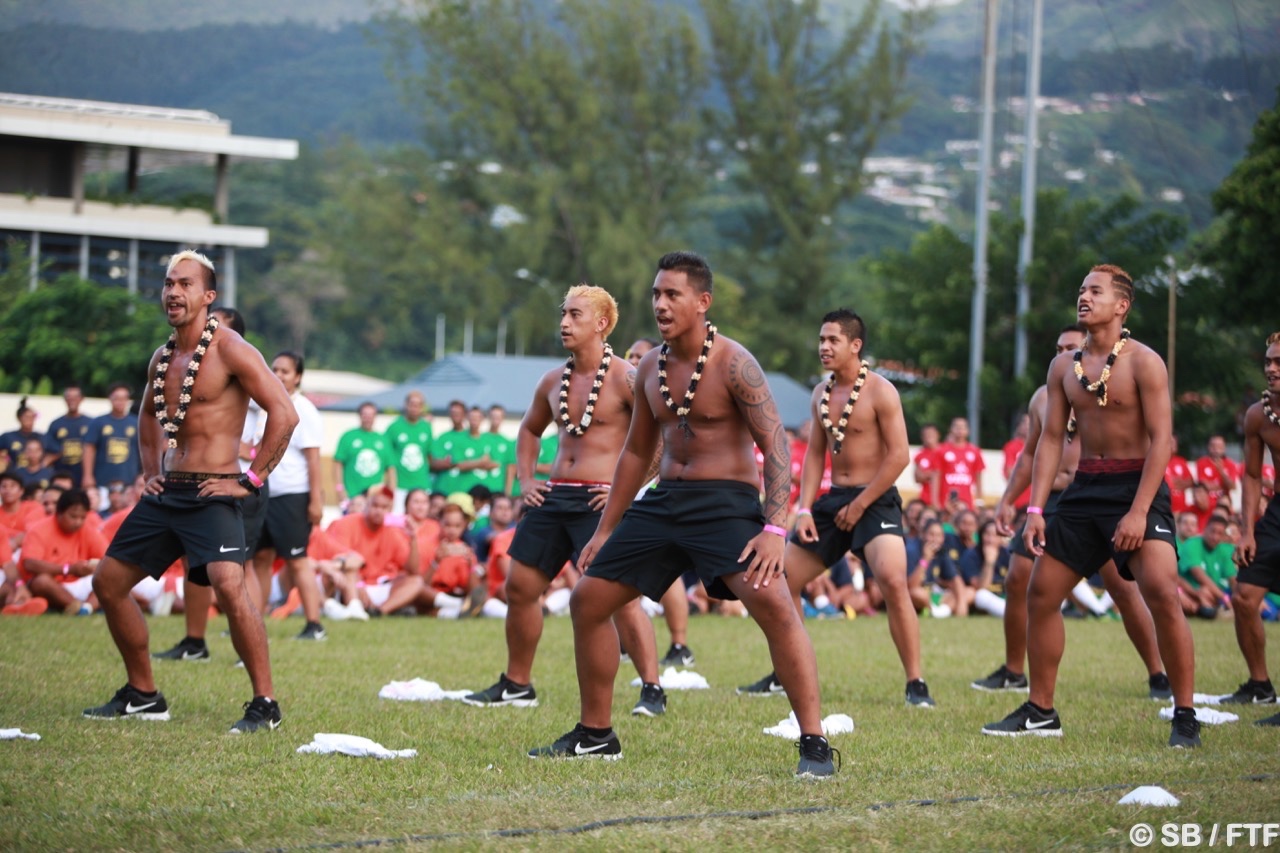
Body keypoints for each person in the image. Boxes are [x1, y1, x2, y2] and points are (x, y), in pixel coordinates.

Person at [529, 252, 835, 778]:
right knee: (587, 600)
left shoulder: (735, 363)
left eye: (672, 295)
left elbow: (778, 447)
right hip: (666, 501)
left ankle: (814, 743)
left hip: (725, 505)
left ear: (702, 302)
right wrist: (606, 529)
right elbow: (634, 453)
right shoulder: (648, 368)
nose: (661, 304)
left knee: (777, 608)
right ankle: (597, 734)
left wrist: (774, 528)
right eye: (655, 295)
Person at [983, 263, 1199, 748]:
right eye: (1081, 290)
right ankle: (1041, 711)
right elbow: (1051, 440)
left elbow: (1164, 441)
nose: (1084, 297)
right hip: (1082, 491)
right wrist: (1035, 510)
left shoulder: (1145, 362)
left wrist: (1140, 511)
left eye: (1095, 291)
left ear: (1121, 305)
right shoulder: (1064, 366)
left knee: (1162, 592)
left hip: (1136, 485)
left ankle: (1184, 712)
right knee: (1041, 594)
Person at [84, 250, 299, 733]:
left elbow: (284, 413)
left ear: (208, 296)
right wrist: (147, 469)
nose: (173, 292)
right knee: (108, 583)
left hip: (213, 491)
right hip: (168, 490)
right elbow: (145, 416)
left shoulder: (231, 349)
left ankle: (264, 705)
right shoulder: (162, 358)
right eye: (167, 283)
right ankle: (144, 694)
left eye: (184, 284)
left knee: (228, 583)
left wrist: (250, 479)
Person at [464, 285, 666, 714]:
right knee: (519, 587)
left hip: (601, 503)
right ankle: (518, 683)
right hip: (554, 497)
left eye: (575, 315)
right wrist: (524, 479)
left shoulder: (626, 378)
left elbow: (662, 441)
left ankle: (652, 687)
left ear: (602, 324)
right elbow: (528, 431)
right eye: (563, 314)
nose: (564, 323)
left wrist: (624, 491)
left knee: (618, 598)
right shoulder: (552, 379)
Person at [737, 308, 934, 707]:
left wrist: (861, 505)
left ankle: (916, 683)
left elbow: (899, 457)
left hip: (875, 499)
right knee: (780, 581)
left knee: (893, 581)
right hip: (832, 503)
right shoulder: (820, 393)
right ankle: (786, 671)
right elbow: (814, 455)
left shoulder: (881, 391)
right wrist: (805, 507)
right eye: (821, 340)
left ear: (855, 346)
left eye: (833, 341)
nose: (823, 347)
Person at [975, 325, 1170, 700]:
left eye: (1070, 345)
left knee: (1123, 587)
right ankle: (1015, 671)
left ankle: (1157, 673)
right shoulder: (1043, 396)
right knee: (1019, 578)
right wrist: (1009, 501)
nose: (1064, 352)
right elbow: (1031, 453)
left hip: (1092, 491)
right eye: (1058, 347)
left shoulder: (1106, 385)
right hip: (1048, 498)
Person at [151, 306, 283, 661]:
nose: (204, 334)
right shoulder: (185, 363)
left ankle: (249, 646)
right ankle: (194, 642)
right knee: (193, 562)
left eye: (214, 328)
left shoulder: (242, 362)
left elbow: (277, 419)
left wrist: (250, 472)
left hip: (238, 480)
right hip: (193, 481)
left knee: (241, 565)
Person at [627, 336, 697, 668]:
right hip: (626, 487)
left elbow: (659, 449)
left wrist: (637, 485)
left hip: (655, 488)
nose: (634, 360)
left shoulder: (665, 389)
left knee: (666, 571)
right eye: (631, 355)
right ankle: (627, 643)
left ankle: (680, 644)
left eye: (641, 355)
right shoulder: (628, 387)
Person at [246, 351, 327, 636]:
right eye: (275, 369)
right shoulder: (266, 406)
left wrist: (315, 500)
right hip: (262, 492)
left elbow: (313, 459)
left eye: (285, 371)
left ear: (298, 377)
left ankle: (314, 624)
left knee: (297, 558)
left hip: (292, 494)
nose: (278, 375)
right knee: (261, 559)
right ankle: (255, 622)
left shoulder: (304, 409)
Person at [1225, 331, 1280, 724]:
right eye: (1268, 362)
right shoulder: (1259, 415)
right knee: (1244, 594)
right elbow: (1250, 475)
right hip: (1276, 513)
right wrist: (1247, 529)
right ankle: (1260, 687)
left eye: (1279, 363)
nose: (1272, 369)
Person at [19, 488, 106, 614]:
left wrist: (92, 567)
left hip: (81, 583)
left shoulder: (87, 530)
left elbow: (107, 557)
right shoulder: (39, 529)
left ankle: (86, 609)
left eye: (82, 517)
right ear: (59, 513)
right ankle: (76, 607)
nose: (78, 522)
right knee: (41, 581)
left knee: (110, 579)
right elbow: (30, 563)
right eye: (73, 516)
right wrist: (68, 570)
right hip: (54, 586)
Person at [82, 383, 141, 512]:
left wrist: (140, 476)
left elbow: (142, 450)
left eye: (124, 398)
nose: (120, 401)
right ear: (110, 398)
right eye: (117, 398)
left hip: (129, 481)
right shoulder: (98, 422)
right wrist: (87, 475)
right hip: (103, 481)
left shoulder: (136, 422)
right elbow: (89, 448)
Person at [333, 402, 393, 506]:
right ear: (360, 416)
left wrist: (391, 494)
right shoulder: (348, 437)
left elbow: (391, 469)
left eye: (371, 415)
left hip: (374, 498)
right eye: (365, 415)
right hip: (351, 495)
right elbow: (337, 464)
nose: (368, 418)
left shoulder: (383, 440)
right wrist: (339, 489)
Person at [385, 391, 434, 512]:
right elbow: (386, 457)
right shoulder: (394, 427)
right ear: (405, 405)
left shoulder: (426, 427)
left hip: (421, 484)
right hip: (400, 485)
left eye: (418, 405)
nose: (414, 408)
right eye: (412, 404)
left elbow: (429, 455)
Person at [48, 385, 94, 487]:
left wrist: (89, 476)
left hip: (83, 478)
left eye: (75, 397)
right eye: (69, 397)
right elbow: (49, 452)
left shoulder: (91, 423)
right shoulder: (56, 424)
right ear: (64, 399)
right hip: (62, 478)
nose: (72, 400)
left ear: (82, 399)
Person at [938, 417, 984, 510]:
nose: (960, 430)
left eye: (963, 427)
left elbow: (978, 478)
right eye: (957, 426)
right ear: (951, 429)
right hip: (945, 501)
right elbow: (936, 477)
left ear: (968, 430)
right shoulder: (941, 450)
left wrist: (979, 501)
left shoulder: (975, 451)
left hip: (968, 502)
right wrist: (936, 503)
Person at [1, 397, 53, 468]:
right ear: (19, 418)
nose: (30, 420)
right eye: (27, 417)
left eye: (32, 417)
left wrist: (44, 464)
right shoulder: (8, 437)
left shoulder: (42, 437)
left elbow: (56, 451)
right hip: (14, 474)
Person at [1196, 434, 1240, 510]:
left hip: (1224, 505)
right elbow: (1204, 486)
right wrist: (1223, 485)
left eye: (1219, 446)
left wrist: (1221, 472)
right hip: (1206, 505)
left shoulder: (1230, 464)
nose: (1216, 449)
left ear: (1224, 447)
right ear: (1208, 447)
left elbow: (1232, 486)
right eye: (1213, 446)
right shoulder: (1201, 462)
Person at [1002, 413, 1031, 509]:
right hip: (1019, 497)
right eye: (1025, 423)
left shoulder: (1041, 446)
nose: (1028, 426)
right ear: (1018, 427)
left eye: (1031, 422)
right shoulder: (1011, 446)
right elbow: (1009, 472)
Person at [913, 424, 943, 509]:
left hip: (943, 497)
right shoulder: (920, 454)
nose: (929, 437)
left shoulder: (944, 452)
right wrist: (934, 474)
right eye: (926, 435)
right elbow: (917, 477)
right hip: (925, 498)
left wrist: (928, 474)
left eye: (931, 434)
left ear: (938, 435)